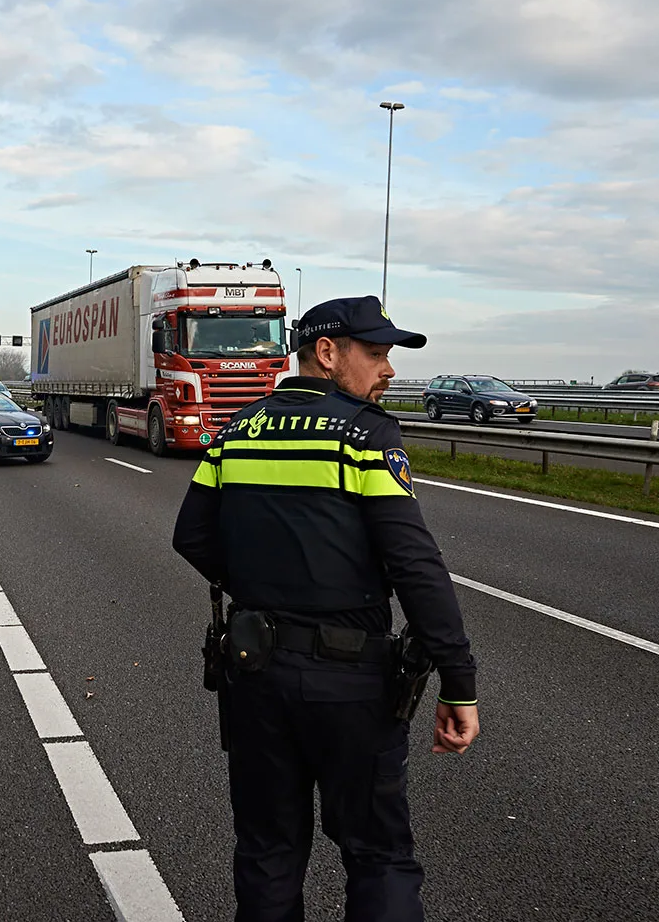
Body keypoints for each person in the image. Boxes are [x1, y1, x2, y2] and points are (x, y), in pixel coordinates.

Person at [172, 295, 480, 922]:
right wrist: (459, 681)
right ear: (327, 352)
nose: (388, 370)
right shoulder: (366, 436)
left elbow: (192, 536)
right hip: (350, 684)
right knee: (377, 854)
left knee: (268, 851)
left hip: (254, 673)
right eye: (376, 354)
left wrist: (265, 586)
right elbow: (414, 565)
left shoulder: (236, 429)